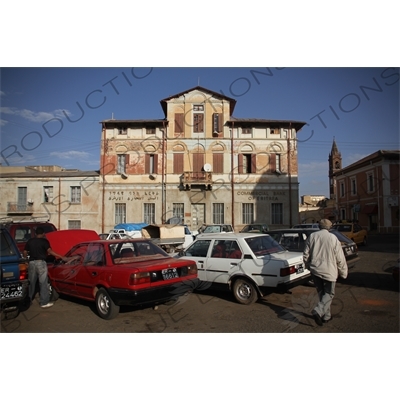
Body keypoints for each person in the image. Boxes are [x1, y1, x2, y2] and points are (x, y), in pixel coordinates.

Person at [303, 219, 348, 326]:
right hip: (329, 270)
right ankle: (318, 311)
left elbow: (305, 254)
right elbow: (340, 258)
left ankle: (326, 316)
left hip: (315, 269)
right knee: (329, 293)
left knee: (322, 293)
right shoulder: (333, 238)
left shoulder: (312, 236)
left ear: (319, 226)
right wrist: (343, 272)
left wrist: (308, 266)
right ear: (329, 227)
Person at [23, 227, 66, 308]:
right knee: (43, 283)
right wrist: (60, 256)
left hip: (31, 263)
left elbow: (25, 251)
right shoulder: (44, 241)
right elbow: (49, 251)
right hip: (41, 263)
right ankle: (44, 302)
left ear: (35, 234)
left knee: (31, 283)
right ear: (43, 234)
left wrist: (26, 261)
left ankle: (28, 301)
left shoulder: (30, 241)